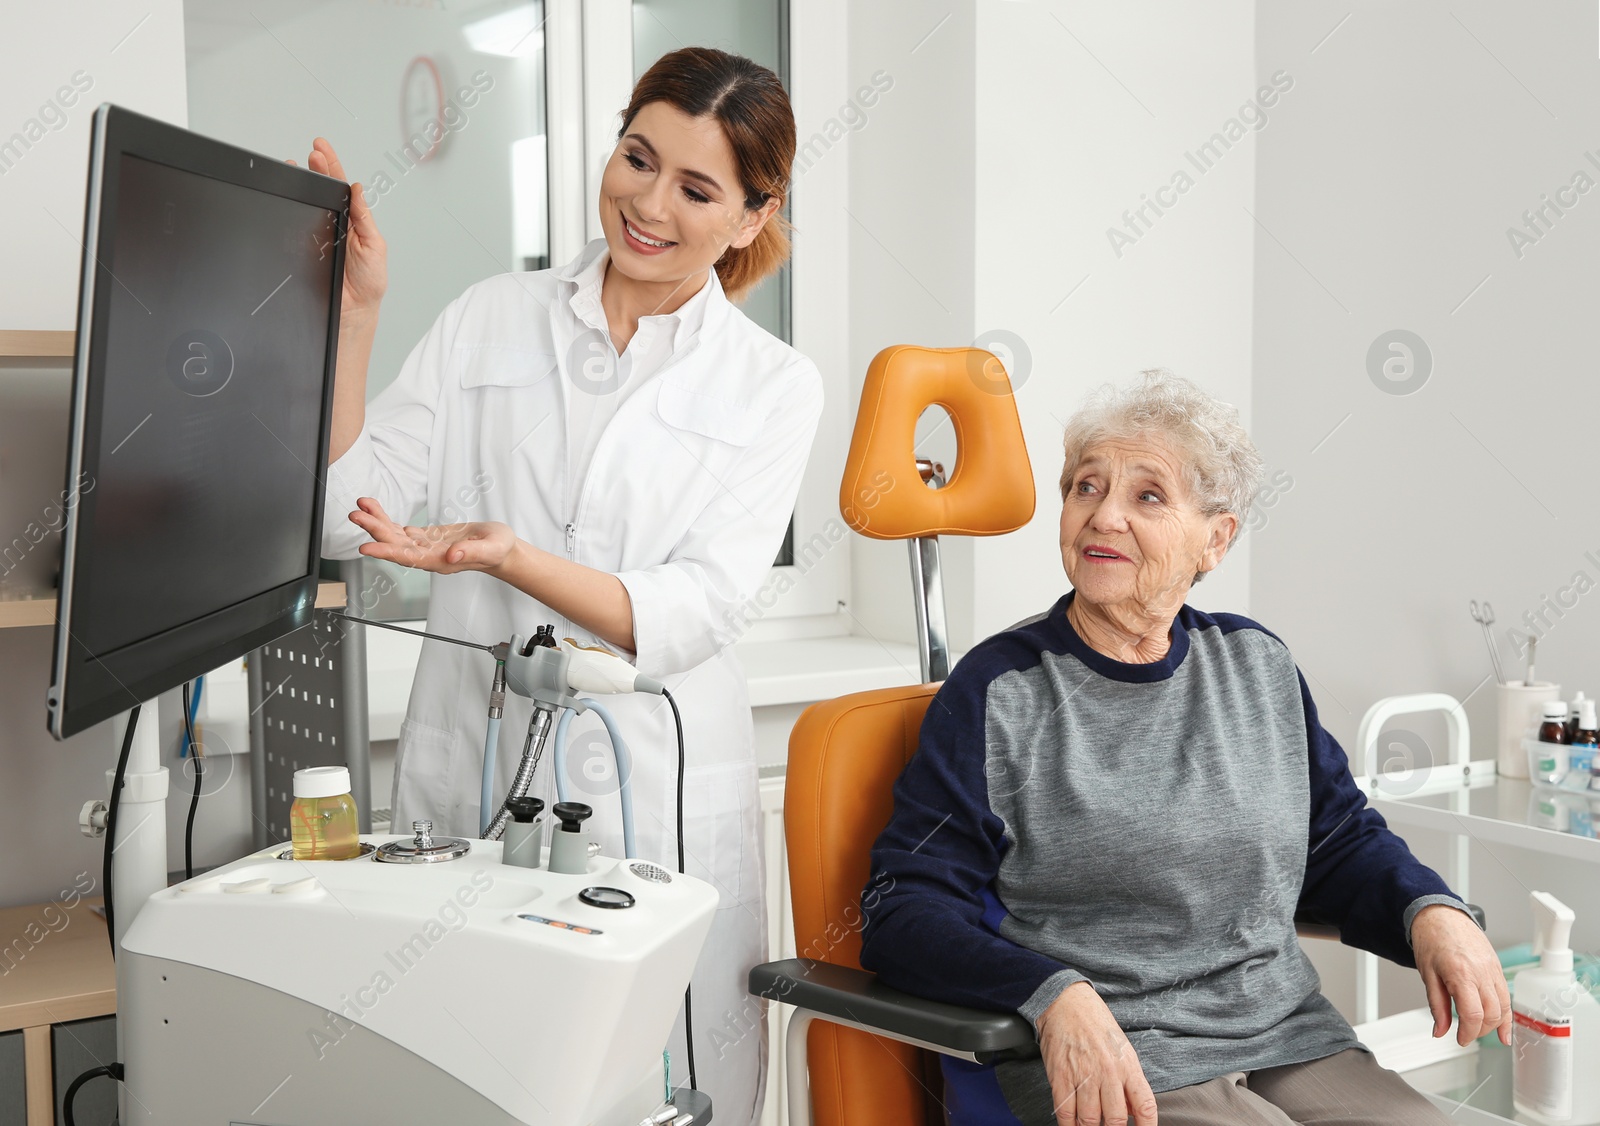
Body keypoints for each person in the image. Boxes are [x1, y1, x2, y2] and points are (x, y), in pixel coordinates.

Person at [313, 47, 821, 1125]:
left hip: (659, 797)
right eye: (637, 158)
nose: (647, 202)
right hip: (475, 777)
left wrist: (512, 558)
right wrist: (355, 313)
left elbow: (694, 612)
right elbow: (342, 513)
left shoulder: (771, 385)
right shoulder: (490, 317)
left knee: (662, 1092)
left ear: (748, 217)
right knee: (464, 1082)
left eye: (696, 188)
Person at [857, 370, 1507, 1126]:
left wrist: (1431, 911)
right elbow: (902, 908)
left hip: (1290, 1040)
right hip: (1119, 1061)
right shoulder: (1002, 691)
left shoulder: (1255, 664)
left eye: (1148, 496)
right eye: (1086, 488)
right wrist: (1053, 993)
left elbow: (1333, 842)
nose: (1104, 518)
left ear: (1216, 538)